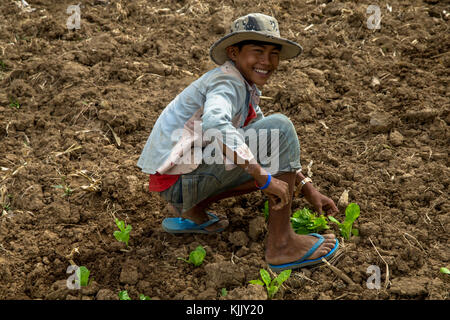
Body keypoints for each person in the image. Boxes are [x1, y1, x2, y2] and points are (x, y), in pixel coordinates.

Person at [137, 13, 339, 270]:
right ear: (234, 53)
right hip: (179, 181)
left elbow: (266, 140)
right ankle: (282, 245)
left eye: (273, 53)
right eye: (257, 51)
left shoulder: (245, 87)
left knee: (266, 139)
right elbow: (216, 125)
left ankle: (193, 212)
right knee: (282, 129)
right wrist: (262, 176)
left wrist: (307, 187)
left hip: (177, 179)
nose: (267, 61)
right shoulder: (226, 82)